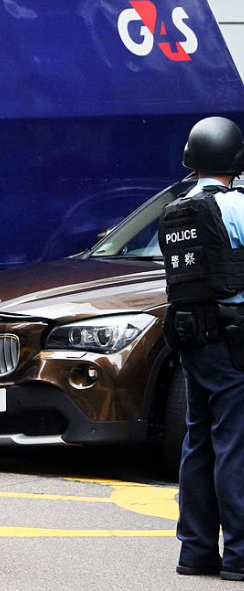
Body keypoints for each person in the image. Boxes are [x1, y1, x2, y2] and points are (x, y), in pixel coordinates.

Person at [158, 116, 244, 581]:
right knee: (236, 445)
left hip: (193, 339)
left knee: (199, 442)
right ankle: (240, 553)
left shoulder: (177, 209)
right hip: (234, 340)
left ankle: (195, 551)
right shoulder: (236, 208)